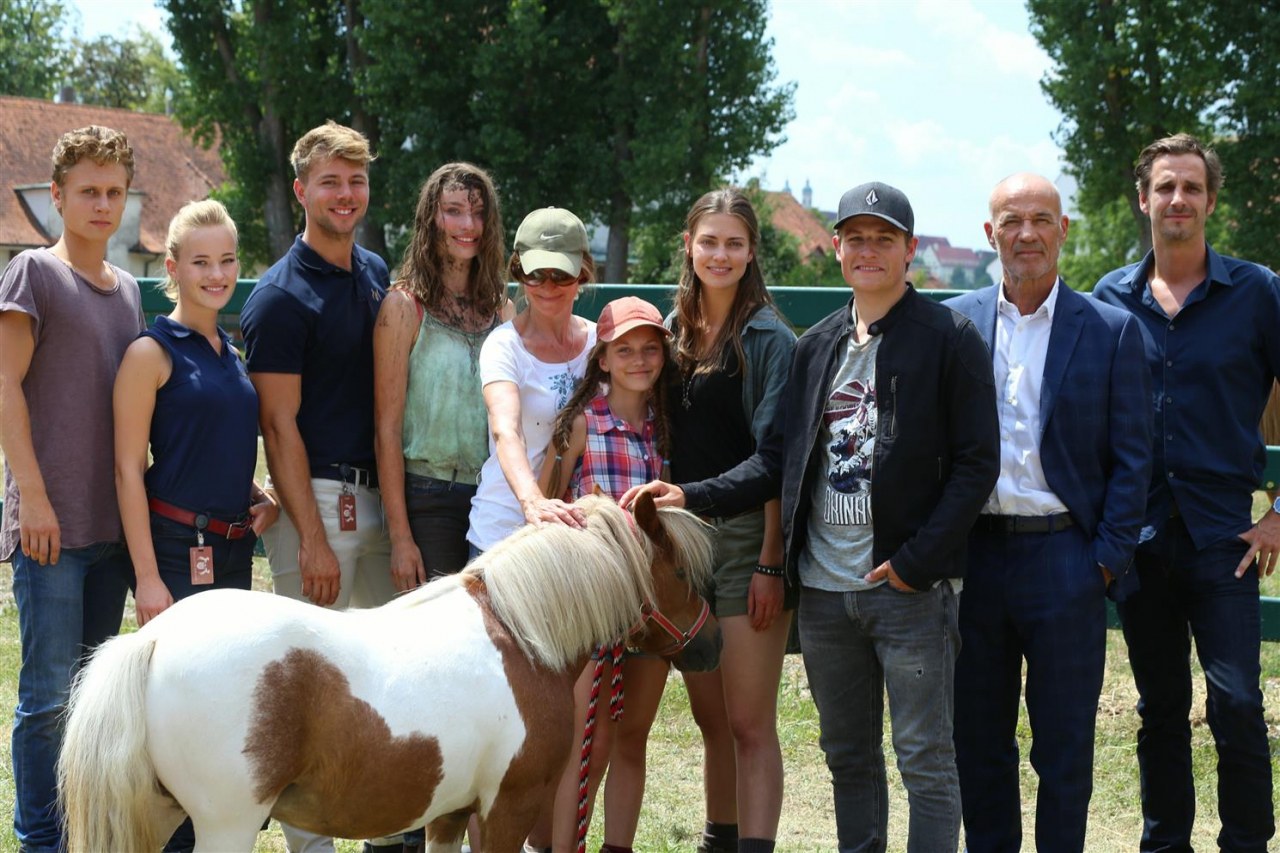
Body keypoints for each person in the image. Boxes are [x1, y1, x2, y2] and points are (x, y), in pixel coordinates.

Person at [624, 182, 999, 853]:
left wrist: (918, 562)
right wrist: (694, 496)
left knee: (925, 761)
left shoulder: (949, 338)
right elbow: (777, 461)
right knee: (848, 757)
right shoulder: (818, 346)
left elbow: (977, 465)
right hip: (825, 589)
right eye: (856, 237)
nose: (868, 250)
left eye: (884, 239)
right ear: (835, 248)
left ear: (910, 250)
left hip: (905, 589)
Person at [943, 174, 1151, 853]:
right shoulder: (955, 321)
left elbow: (1133, 456)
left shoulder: (1111, 330)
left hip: (1068, 557)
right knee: (980, 742)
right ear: (989, 233)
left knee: (1064, 749)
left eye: (1040, 219)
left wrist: (1104, 558)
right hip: (975, 557)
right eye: (1011, 220)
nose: (1025, 233)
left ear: (1063, 230)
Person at [1093, 133, 1277, 853]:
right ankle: (1164, 843)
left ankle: (1247, 844)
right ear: (1143, 199)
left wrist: (1279, 516)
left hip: (1224, 539)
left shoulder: (1257, 294)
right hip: (1138, 539)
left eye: (1191, 188)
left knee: (1237, 702)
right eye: (1164, 187)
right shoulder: (1110, 297)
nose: (1177, 199)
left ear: (1210, 200)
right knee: (1160, 707)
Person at [601, 188, 796, 853]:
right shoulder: (669, 332)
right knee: (706, 715)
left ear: (750, 252)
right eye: (708, 240)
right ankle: (718, 836)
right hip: (675, 546)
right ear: (688, 244)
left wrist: (772, 559)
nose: (720, 253)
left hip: (745, 539)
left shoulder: (768, 337)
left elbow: (776, 463)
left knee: (747, 722)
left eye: (734, 242)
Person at [239, 121, 400, 853]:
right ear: (302, 189)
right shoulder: (280, 297)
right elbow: (279, 427)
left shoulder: (375, 271)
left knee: (383, 689)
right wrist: (308, 537)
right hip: (321, 508)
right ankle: (309, 848)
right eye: (330, 181)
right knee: (312, 698)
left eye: (356, 180)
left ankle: (380, 833)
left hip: (381, 501)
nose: (345, 193)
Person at [113, 199, 280, 852]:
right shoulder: (150, 352)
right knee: (179, 719)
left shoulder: (231, 352)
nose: (217, 274)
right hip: (176, 554)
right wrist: (148, 578)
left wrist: (257, 493)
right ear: (173, 268)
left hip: (234, 555)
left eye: (227, 260)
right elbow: (129, 471)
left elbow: (213, 443)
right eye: (201, 262)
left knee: (222, 713)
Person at [0, 125, 144, 853]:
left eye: (114, 191)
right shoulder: (33, 273)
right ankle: (40, 840)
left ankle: (82, 833)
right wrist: (32, 495)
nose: (102, 204)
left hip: (112, 531)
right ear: (56, 196)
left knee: (90, 706)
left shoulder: (128, 295)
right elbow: (4, 385)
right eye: (88, 190)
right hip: (50, 528)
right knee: (46, 700)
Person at [537, 296, 675, 853]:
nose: (639, 360)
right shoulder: (581, 426)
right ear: (603, 360)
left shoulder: (666, 432)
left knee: (630, 739)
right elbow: (548, 506)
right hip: (591, 607)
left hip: (647, 608)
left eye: (650, 349)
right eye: (625, 351)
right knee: (583, 746)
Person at [374, 162, 513, 591]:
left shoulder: (501, 309)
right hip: (427, 498)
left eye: (477, 212)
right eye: (453, 211)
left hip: (490, 498)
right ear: (431, 218)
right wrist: (400, 536)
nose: (467, 224)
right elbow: (386, 428)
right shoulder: (403, 307)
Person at [465, 206, 597, 556]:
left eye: (562, 274)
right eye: (536, 274)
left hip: (579, 543)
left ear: (582, 274)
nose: (548, 286)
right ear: (518, 270)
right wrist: (533, 501)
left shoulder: (604, 344)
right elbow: (506, 429)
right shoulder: (504, 345)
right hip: (502, 538)